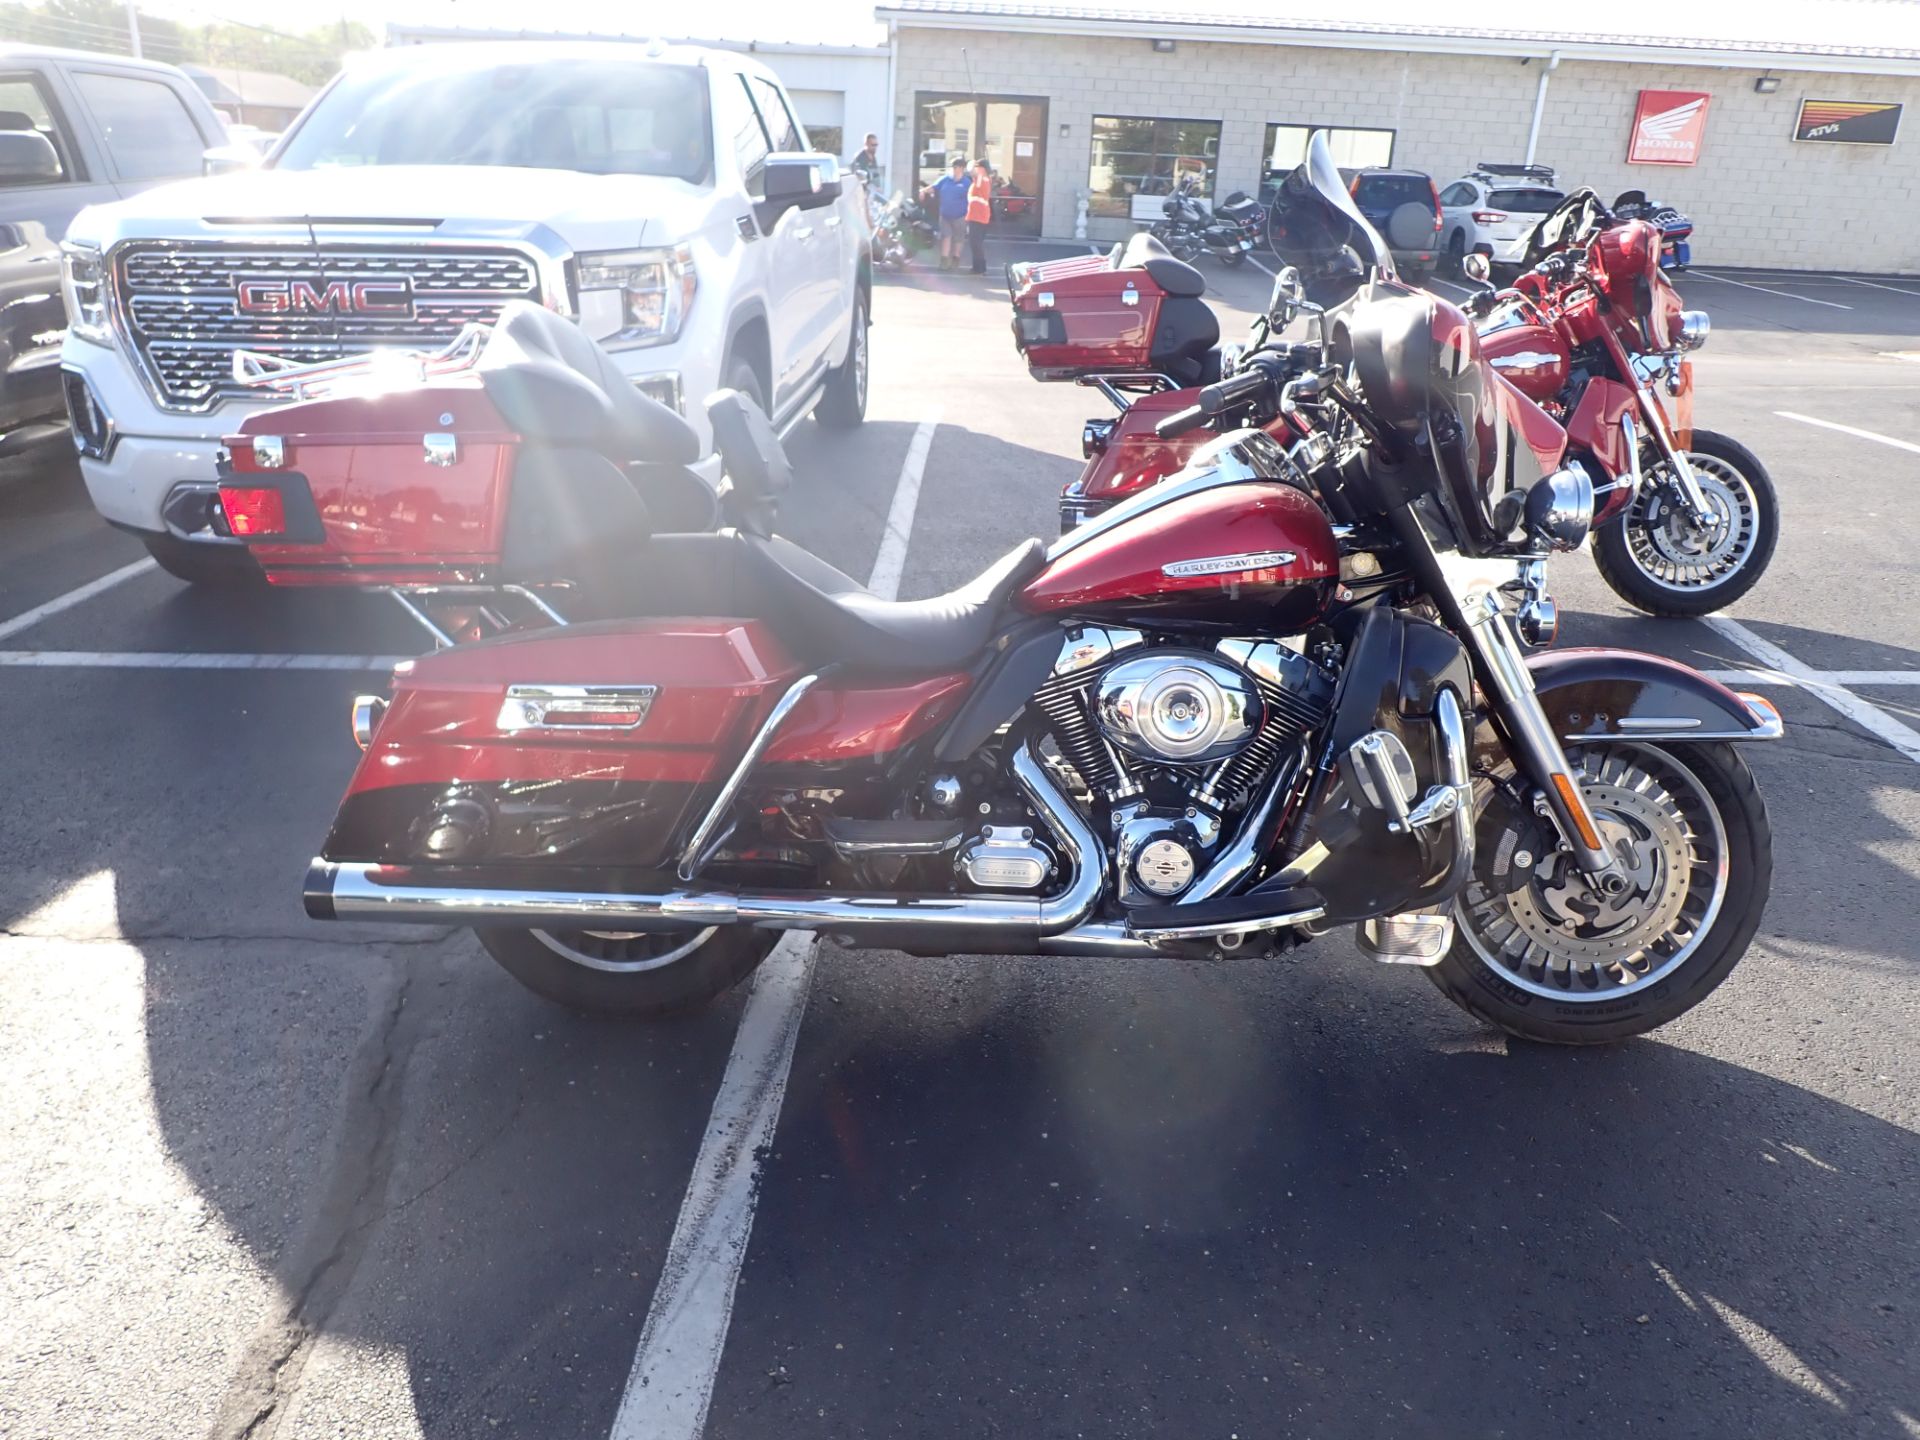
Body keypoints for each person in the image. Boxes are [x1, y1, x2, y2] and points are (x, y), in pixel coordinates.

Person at [923, 156, 971, 271]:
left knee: (959, 238)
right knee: (946, 236)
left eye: (955, 167)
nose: (953, 169)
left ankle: (956, 259)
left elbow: (971, 197)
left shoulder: (966, 182)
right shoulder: (945, 179)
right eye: (952, 167)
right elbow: (934, 188)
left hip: (960, 215)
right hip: (945, 214)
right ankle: (944, 260)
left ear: (961, 168)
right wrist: (923, 191)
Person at [966, 158, 994, 275]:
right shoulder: (985, 179)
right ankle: (977, 267)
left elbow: (973, 172)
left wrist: (971, 164)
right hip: (978, 215)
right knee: (976, 243)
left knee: (975, 243)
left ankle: (980, 267)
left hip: (977, 216)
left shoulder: (982, 177)